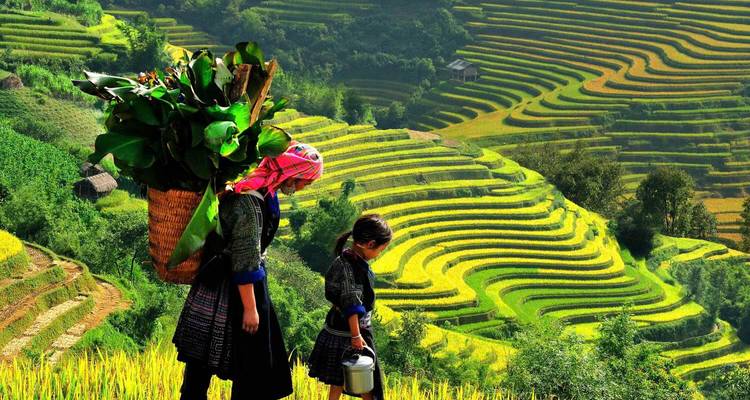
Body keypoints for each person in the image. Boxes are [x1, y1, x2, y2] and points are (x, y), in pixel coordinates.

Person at [172, 141, 323, 400]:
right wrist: (251, 309)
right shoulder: (249, 204)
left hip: (228, 282)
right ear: (291, 174)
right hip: (229, 287)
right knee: (229, 365)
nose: (302, 188)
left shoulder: (263, 190)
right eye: (303, 181)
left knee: (204, 364)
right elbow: (245, 258)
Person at [307, 214, 393, 400]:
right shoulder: (350, 267)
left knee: (338, 381)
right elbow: (351, 303)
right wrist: (356, 336)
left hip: (337, 328)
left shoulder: (344, 259)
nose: (379, 253)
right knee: (369, 383)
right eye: (381, 249)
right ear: (370, 244)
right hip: (352, 332)